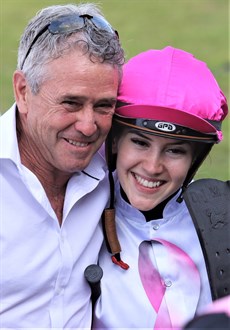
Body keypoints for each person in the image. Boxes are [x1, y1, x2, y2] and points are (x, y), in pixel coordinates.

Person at [0, 3, 124, 329]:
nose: (88, 126)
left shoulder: (121, 168)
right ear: (23, 91)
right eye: (71, 103)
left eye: (103, 106)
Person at [92, 46, 229, 329]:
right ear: (115, 140)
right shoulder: (77, 208)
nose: (153, 167)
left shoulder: (221, 216)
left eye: (175, 151)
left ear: (195, 157)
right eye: (140, 143)